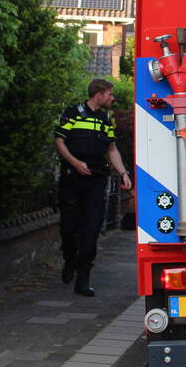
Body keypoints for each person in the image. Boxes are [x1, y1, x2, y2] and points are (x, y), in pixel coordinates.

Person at [54, 78, 131, 296]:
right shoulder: (73, 113)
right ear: (99, 94)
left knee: (91, 228)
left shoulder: (105, 119)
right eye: (110, 94)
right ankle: (69, 259)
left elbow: (112, 149)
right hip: (71, 178)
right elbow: (59, 141)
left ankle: (83, 278)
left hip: (96, 180)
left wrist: (123, 172)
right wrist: (74, 163)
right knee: (69, 228)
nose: (112, 98)